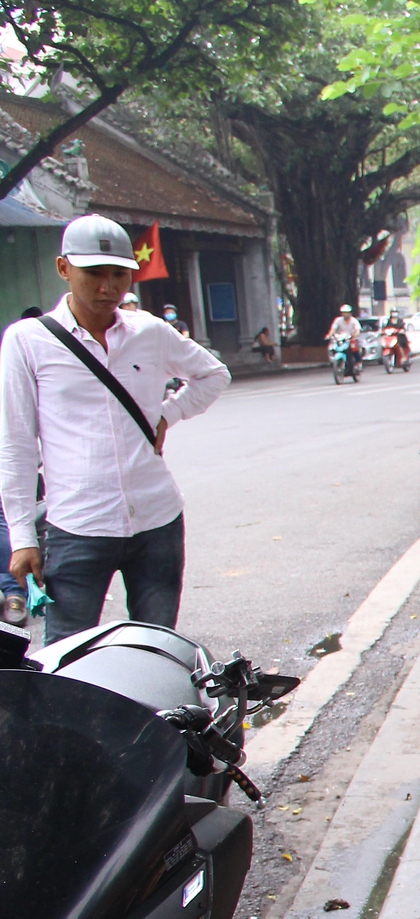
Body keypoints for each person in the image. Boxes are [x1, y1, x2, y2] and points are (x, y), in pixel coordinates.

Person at [2, 215, 230, 641]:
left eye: (119, 274)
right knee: (69, 656)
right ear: (63, 268)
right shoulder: (27, 341)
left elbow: (214, 374)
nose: (108, 287)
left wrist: (169, 413)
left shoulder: (150, 331)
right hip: (78, 527)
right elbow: (15, 443)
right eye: (94, 274)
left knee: (154, 647)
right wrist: (21, 536)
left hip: (157, 520)